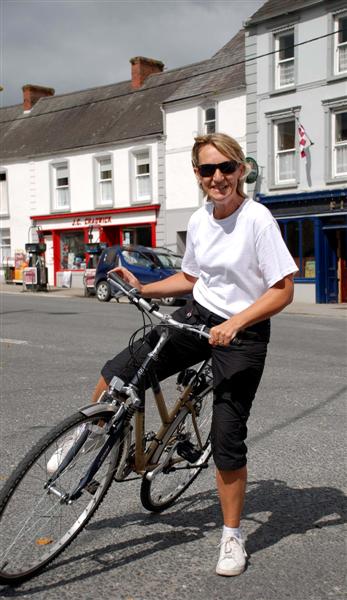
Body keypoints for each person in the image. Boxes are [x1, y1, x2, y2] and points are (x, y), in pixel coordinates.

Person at [49, 132, 298, 577]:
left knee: (227, 436)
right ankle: (85, 436)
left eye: (226, 168)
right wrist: (144, 288)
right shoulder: (202, 219)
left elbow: (282, 291)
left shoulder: (258, 219)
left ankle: (232, 536)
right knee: (121, 370)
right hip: (199, 315)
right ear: (198, 175)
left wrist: (236, 323)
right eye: (208, 170)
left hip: (243, 331)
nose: (217, 177)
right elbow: (189, 276)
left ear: (241, 169)